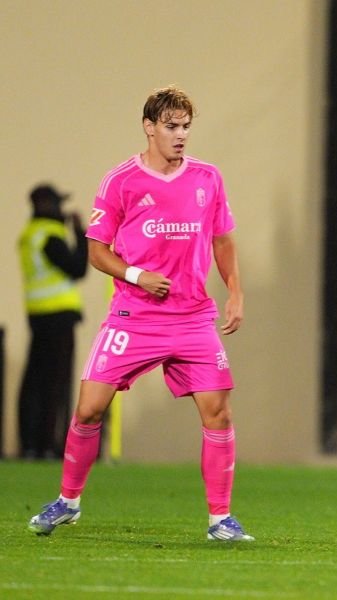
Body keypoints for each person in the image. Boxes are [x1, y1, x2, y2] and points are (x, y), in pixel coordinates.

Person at [27, 85, 253, 542]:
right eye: (171, 126)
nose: (180, 135)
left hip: (192, 319)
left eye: (186, 126)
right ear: (149, 127)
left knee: (219, 414)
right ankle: (67, 502)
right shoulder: (121, 181)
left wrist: (235, 292)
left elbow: (223, 239)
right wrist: (136, 276)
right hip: (135, 317)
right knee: (89, 410)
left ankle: (220, 521)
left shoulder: (208, 178)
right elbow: (95, 250)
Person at [17, 184, 88, 460]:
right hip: (58, 317)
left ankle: (31, 444)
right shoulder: (49, 236)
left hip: (38, 315)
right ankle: (49, 445)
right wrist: (81, 235)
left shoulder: (30, 235)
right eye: (58, 203)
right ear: (47, 206)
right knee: (54, 384)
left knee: (34, 381)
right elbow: (77, 267)